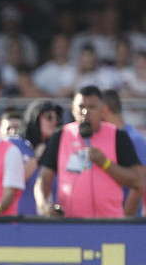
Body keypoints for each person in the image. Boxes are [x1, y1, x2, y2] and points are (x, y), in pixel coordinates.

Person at [35, 85, 144, 218]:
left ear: (102, 110)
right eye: (81, 107)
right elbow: (44, 178)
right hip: (70, 224)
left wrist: (105, 163)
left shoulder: (118, 136)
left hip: (110, 224)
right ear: (73, 109)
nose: (86, 112)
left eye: (91, 107)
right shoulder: (60, 136)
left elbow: (138, 181)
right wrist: (43, 205)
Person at [100, 88, 146, 216]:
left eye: (94, 108)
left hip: (123, 224)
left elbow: (139, 184)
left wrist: (123, 221)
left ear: (104, 109)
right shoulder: (105, 139)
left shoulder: (135, 139)